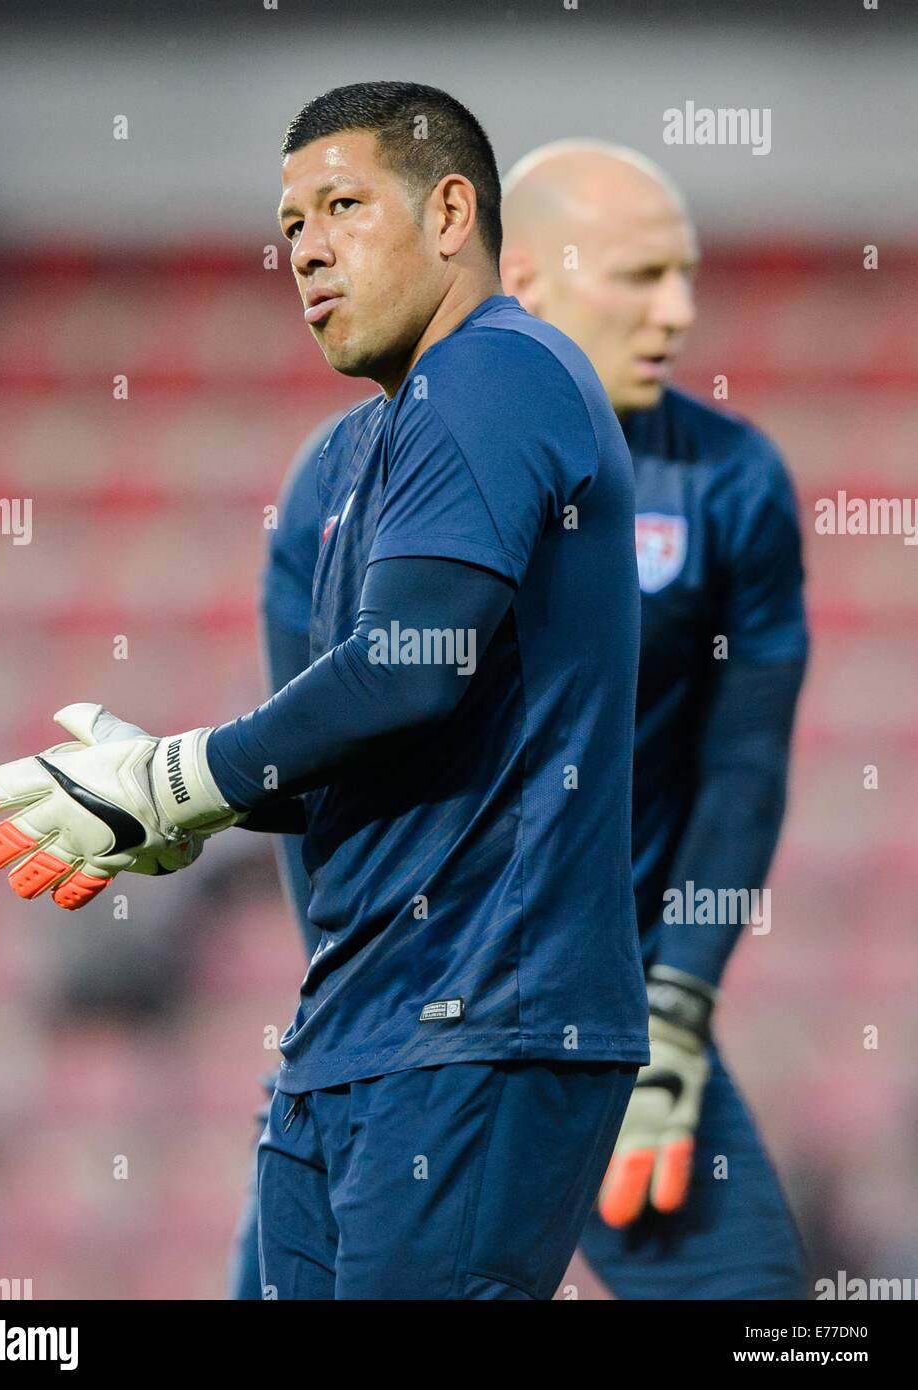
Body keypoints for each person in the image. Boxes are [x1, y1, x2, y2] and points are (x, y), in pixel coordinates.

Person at [0, 87, 648, 1301]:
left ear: (452, 212)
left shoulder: (498, 372)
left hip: (484, 1011)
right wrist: (189, 801)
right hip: (356, 1030)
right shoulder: (351, 454)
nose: (309, 251)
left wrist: (179, 780)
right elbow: (386, 740)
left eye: (343, 206)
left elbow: (409, 672)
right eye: (290, 228)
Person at [246, 138, 809, 1300]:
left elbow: (741, 765)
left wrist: (679, 1010)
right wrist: (365, 1011)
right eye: (643, 276)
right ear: (533, 288)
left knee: (758, 1306)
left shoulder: (729, 479)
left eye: (687, 274)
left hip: (610, 996)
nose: (681, 311)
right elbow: (328, 788)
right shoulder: (341, 480)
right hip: (415, 1004)